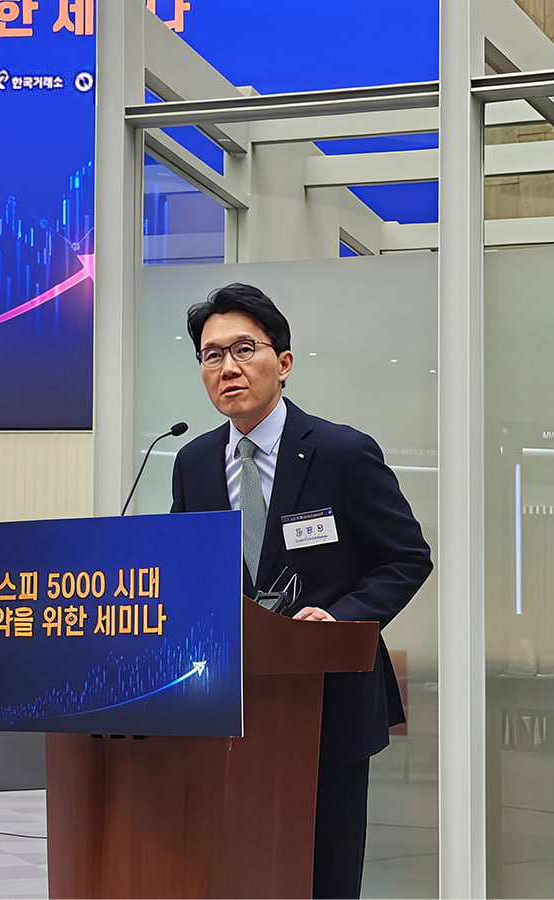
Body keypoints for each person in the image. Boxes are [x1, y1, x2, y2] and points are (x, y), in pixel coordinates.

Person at [170, 282, 433, 898]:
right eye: (212, 355)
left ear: (283, 362)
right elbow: (187, 571)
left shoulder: (341, 453)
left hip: (327, 704)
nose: (228, 368)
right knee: (238, 872)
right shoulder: (193, 462)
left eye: (244, 349)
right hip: (229, 706)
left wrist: (339, 620)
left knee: (323, 875)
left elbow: (405, 558)